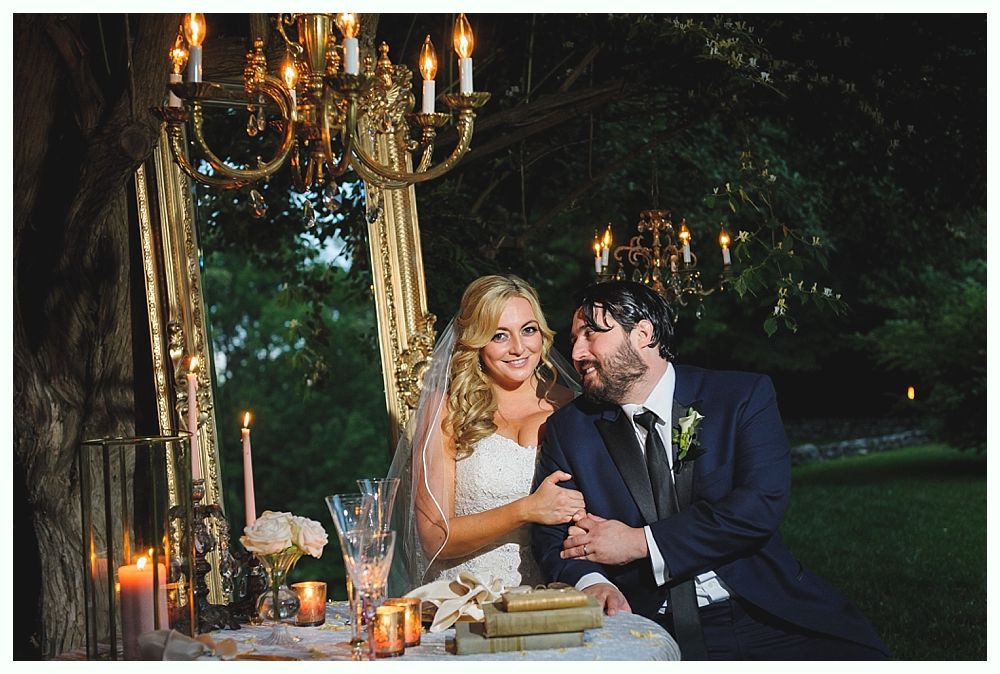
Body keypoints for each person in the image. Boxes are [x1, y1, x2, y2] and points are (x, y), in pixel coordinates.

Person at [531, 280, 889, 660]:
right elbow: (552, 536)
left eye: (591, 334)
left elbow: (759, 506)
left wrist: (639, 542)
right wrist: (592, 583)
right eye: (574, 339)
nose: (577, 352)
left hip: (761, 607)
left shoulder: (741, 398)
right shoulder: (570, 429)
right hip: (646, 618)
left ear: (643, 334)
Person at [388, 274, 583, 591]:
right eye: (499, 335)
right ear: (476, 342)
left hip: (550, 599)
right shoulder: (448, 410)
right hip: (465, 601)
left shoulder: (574, 407)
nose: (518, 348)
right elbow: (433, 537)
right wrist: (526, 510)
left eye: (528, 330)